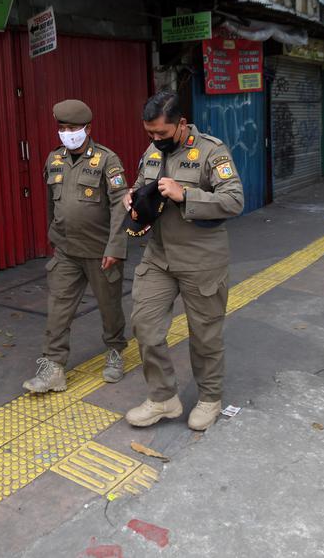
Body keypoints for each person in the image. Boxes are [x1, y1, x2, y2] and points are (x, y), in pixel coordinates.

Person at [121, 91, 244, 431]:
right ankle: (164, 398)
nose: (155, 139)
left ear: (181, 124)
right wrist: (131, 198)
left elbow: (234, 201)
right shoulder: (152, 150)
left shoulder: (211, 151)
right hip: (159, 257)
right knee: (144, 327)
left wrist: (185, 194)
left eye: (161, 133)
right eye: (149, 133)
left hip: (202, 259)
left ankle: (209, 398)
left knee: (204, 336)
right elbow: (140, 185)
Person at [23, 99, 130, 393]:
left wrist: (115, 247)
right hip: (67, 251)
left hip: (99, 252)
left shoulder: (108, 160)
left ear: (87, 129)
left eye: (73, 128)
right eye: (62, 128)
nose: (67, 133)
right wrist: (52, 236)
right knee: (58, 309)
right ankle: (52, 368)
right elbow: (50, 205)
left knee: (109, 308)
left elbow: (121, 205)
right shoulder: (53, 160)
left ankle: (115, 351)